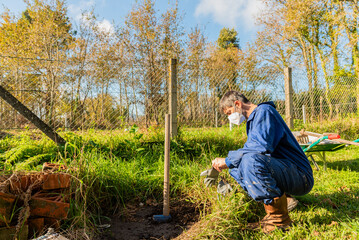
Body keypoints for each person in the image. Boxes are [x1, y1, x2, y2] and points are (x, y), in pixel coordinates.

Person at [211, 91, 314, 233]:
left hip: (301, 176)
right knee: (238, 166)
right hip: (288, 171)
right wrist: (231, 162)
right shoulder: (255, 118)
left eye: (229, 113)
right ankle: (277, 208)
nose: (230, 118)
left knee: (250, 161)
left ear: (237, 104)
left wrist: (228, 160)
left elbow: (258, 148)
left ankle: (279, 220)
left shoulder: (264, 112)